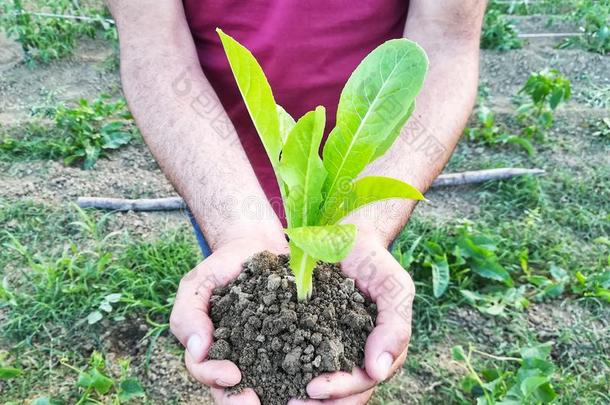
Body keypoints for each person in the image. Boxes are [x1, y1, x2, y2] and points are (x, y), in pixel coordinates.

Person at [106, 0, 486, 403]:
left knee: (353, 290)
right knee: (242, 277)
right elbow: (153, 43)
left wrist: (367, 228)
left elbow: (447, 40)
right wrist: (238, 229)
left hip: (358, 199)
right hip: (222, 182)